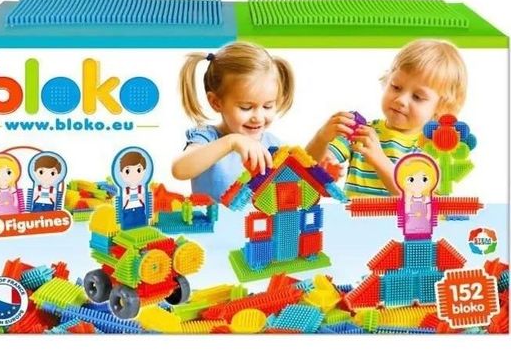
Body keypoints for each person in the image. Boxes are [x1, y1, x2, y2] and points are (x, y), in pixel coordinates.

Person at [307, 39, 468, 196]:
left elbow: (420, 201)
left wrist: (379, 159)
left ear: (442, 107)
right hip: (353, 215)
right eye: (396, 87)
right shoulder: (362, 133)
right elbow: (307, 170)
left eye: (417, 97)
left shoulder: (432, 149)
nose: (401, 100)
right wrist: (322, 138)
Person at [172, 42, 295, 201]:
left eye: (267, 106)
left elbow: (299, 181)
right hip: (211, 218)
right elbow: (179, 170)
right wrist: (231, 142)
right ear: (216, 102)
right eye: (246, 107)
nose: (258, 117)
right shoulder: (207, 138)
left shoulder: (273, 145)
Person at [394, 154, 439, 237]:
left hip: (425, 225)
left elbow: (429, 212)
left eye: (424, 179)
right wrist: (408, 203)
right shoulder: (408, 200)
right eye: (411, 179)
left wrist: (427, 219)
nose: (418, 184)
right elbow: (406, 212)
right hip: (410, 226)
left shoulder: (426, 199)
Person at [119, 150, 148, 228]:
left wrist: (141, 197)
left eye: (138, 170)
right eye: (127, 171)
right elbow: (122, 204)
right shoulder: (125, 190)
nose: (133, 175)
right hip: (128, 212)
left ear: (144, 171)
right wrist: (126, 198)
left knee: (141, 226)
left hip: (140, 211)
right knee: (128, 227)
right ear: (121, 173)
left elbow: (145, 202)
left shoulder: (141, 188)